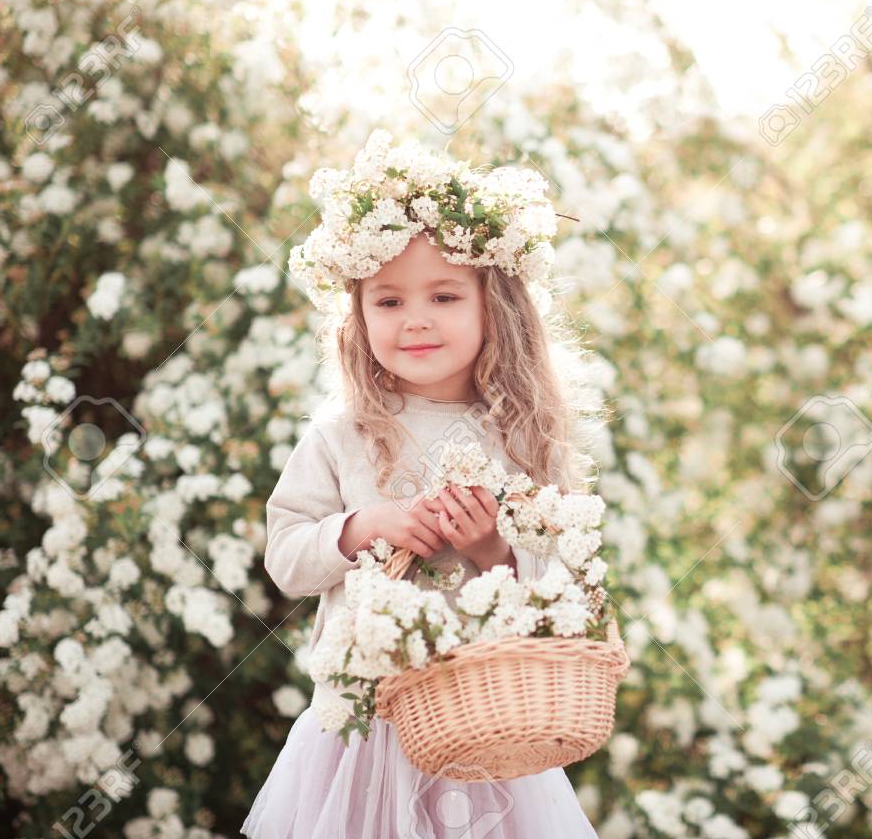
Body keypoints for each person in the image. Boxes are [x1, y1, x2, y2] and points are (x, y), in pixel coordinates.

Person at [241, 132, 603, 839]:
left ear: (491, 305)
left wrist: (493, 551)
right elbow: (286, 553)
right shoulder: (345, 430)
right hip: (363, 729)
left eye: (443, 295)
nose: (415, 320)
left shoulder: (521, 436)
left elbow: (559, 586)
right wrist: (363, 526)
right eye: (388, 301)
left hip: (486, 721)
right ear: (359, 314)